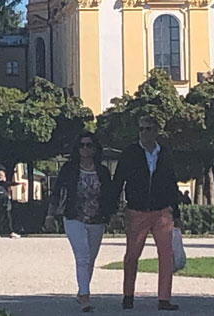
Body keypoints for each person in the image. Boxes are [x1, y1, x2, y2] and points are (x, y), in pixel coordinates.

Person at [111, 114, 182, 311]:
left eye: (149, 129)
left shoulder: (165, 153)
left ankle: (164, 299)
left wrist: (176, 213)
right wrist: (113, 209)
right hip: (137, 210)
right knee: (132, 255)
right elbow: (118, 180)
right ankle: (128, 295)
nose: (144, 133)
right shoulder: (130, 153)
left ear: (156, 131)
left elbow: (171, 183)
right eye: (141, 129)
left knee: (166, 255)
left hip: (162, 211)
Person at [44, 131, 115, 313]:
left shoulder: (102, 171)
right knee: (82, 256)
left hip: (97, 219)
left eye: (89, 145)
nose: (85, 149)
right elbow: (57, 192)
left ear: (95, 148)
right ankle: (85, 296)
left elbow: (110, 195)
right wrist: (50, 215)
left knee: (90, 259)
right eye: (82, 145)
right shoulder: (69, 169)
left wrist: (112, 215)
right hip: (74, 217)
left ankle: (81, 291)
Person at [0, 169, 19, 239]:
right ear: (1, 176)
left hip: (4, 202)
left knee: (5, 217)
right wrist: (20, 183)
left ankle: (9, 231)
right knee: (2, 217)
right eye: (3, 175)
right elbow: (9, 183)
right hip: (3, 202)